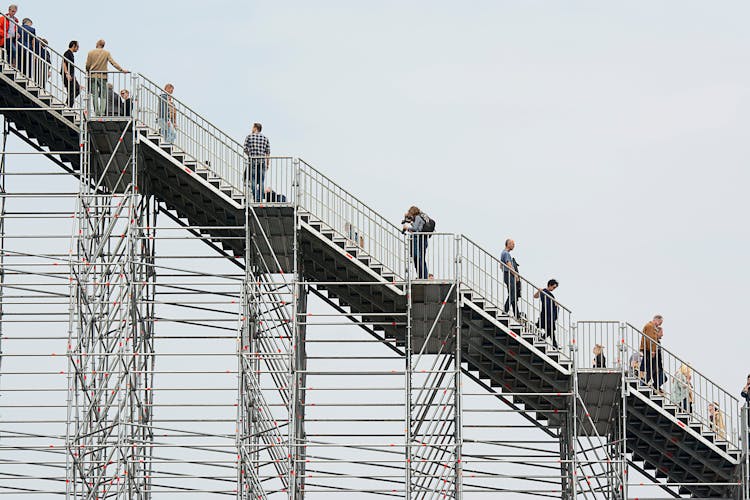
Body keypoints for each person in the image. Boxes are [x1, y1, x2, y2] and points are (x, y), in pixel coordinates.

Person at [85, 39, 126, 116]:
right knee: (103, 95)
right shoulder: (106, 53)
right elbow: (113, 63)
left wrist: (88, 71)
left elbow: (87, 65)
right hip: (103, 76)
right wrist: (121, 70)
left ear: (97, 44)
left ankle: (96, 112)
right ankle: (102, 112)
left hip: (93, 75)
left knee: (95, 95)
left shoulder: (91, 52)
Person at [243, 122, 270, 201]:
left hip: (253, 160)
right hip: (262, 161)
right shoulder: (265, 138)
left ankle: (256, 198)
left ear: (255, 128)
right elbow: (267, 153)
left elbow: (245, 149)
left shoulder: (249, 137)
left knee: (253, 180)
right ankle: (260, 199)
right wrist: (267, 164)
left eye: (252, 127)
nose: (252, 129)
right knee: (261, 181)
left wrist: (250, 154)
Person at [402, 206, 429, 279]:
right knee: (420, 259)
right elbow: (418, 227)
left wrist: (407, 228)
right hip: (423, 239)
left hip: (419, 239)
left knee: (418, 258)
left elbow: (415, 229)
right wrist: (410, 222)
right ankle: (423, 276)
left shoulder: (417, 217)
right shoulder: (420, 217)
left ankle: (423, 276)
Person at [639, 315, 663, 389]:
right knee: (651, 368)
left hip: (649, 350)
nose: (660, 324)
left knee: (652, 368)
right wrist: (652, 350)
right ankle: (644, 383)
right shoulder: (650, 326)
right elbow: (650, 340)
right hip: (649, 350)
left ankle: (647, 383)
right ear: (656, 320)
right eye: (660, 322)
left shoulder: (651, 326)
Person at [534, 279, 559, 348]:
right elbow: (535, 296)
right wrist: (539, 291)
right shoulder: (544, 291)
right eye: (553, 287)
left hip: (549, 314)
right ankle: (554, 344)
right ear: (549, 285)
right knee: (550, 329)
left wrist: (555, 304)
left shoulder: (549, 294)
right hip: (546, 313)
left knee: (550, 329)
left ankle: (543, 340)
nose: (554, 289)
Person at [500, 239, 521, 317]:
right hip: (509, 275)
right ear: (508, 244)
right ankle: (505, 311)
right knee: (512, 294)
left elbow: (501, 266)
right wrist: (515, 275)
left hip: (507, 275)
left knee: (513, 295)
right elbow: (509, 265)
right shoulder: (506, 253)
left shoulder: (504, 253)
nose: (513, 245)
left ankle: (517, 314)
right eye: (512, 244)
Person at [62, 41, 80, 108]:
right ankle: (69, 106)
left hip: (71, 75)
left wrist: (76, 82)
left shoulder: (71, 54)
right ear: (73, 45)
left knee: (77, 89)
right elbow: (64, 63)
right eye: (77, 47)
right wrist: (66, 73)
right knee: (72, 91)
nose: (78, 48)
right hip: (67, 74)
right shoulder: (67, 53)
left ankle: (67, 104)